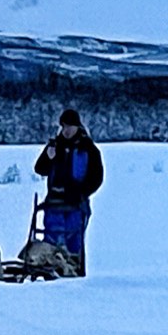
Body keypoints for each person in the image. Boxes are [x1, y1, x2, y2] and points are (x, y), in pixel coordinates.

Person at [33, 107, 105, 271]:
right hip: (54, 202)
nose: (66, 130)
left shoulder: (89, 149)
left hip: (76, 203)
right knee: (53, 238)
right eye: (64, 126)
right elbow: (40, 169)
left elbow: (97, 177)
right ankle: (52, 268)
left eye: (70, 126)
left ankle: (73, 268)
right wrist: (48, 157)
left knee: (74, 239)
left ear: (77, 127)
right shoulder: (55, 145)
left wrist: (82, 192)